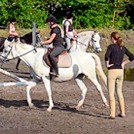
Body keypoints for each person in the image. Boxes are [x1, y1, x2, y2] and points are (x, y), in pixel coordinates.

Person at [105, 32, 134, 119]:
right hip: (120, 71)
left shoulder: (111, 47)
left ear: (113, 38)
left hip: (112, 71)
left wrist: (107, 65)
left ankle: (112, 114)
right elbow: (132, 57)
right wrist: (124, 63)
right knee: (119, 92)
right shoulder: (123, 47)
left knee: (111, 93)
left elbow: (106, 56)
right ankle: (122, 112)